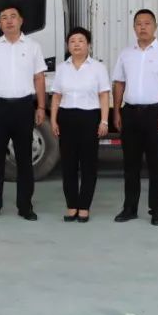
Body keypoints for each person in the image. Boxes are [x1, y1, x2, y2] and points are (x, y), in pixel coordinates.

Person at [0, 3, 47, 221]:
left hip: (23, 107)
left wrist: (41, 107)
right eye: (4, 17)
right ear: (0, 23)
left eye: (13, 16)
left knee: (24, 159)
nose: (9, 20)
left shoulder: (33, 46)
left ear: (21, 20)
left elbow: (39, 78)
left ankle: (25, 206)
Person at [111, 9, 158, 227]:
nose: (143, 27)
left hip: (156, 114)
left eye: (147, 23)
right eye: (138, 23)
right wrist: (117, 111)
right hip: (130, 113)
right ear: (134, 28)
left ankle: (156, 210)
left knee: (156, 164)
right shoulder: (126, 54)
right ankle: (129, 208)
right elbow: (119, 83)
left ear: (155, 27)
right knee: (130, 165)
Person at [50, 27, 110, 223]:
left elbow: (104, 95)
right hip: (66, 117)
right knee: (68, 165)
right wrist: (53, 120)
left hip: (89, 118)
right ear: (68, 45)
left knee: (88, 164)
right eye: (72, 41)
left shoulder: (98, 68)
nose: (76, 44)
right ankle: (72, 206)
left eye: (81, 40)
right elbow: (56, 96)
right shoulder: (62, 68)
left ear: (88, 45)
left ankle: (84, 207)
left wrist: (104, 120)